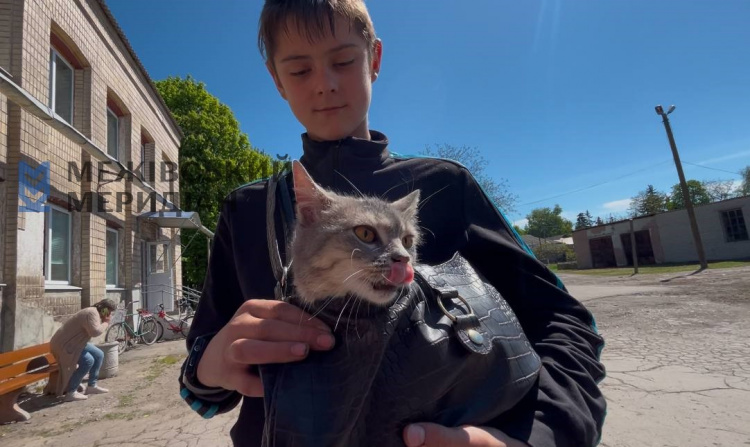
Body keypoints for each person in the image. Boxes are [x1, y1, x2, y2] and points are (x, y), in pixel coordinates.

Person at [178, 1, 606, 446]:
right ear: (276, 80)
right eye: (300, 70)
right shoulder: (246, 209)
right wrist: (210, 364)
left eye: (344, 61)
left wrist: (536, 437)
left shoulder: (443, 184)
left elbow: (565, 322)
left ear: (375, 59)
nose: (324, 84)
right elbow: (201, 388)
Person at [46, 299, 115, 402]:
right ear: (104, 309)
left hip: (76, 343)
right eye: (109, 311)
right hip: (65, 345)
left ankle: (92, 386)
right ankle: (71, 392)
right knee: (88, 361)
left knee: (99, 354)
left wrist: (104, 321)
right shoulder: (92, 313)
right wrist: (106, 322)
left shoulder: (93, 312)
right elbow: (94, 332)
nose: (109, 314)